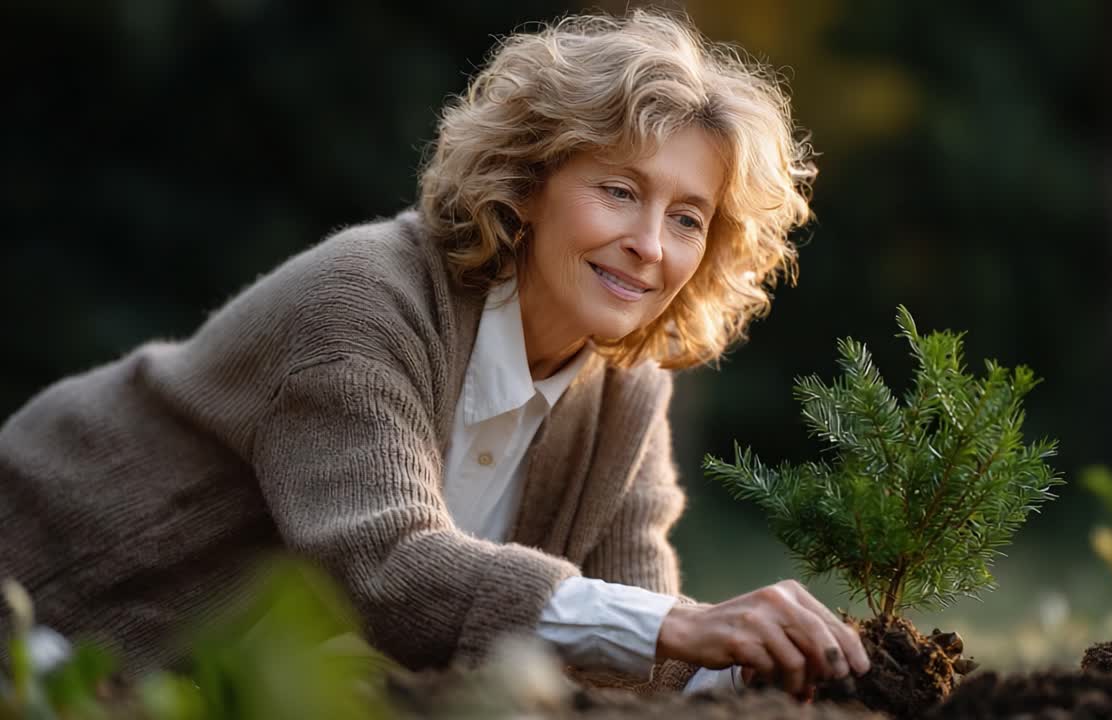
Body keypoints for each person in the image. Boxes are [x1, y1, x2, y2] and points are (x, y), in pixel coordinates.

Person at [0, 10, 868, 698]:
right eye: (619, 191)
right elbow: (386, 565)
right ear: (529, 184)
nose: (650, 244)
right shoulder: (365, 298)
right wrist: (682, 627)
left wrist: (767, 663)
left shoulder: (624, 391)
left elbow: (632, 639)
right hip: (50, 611)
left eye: (687, 218)